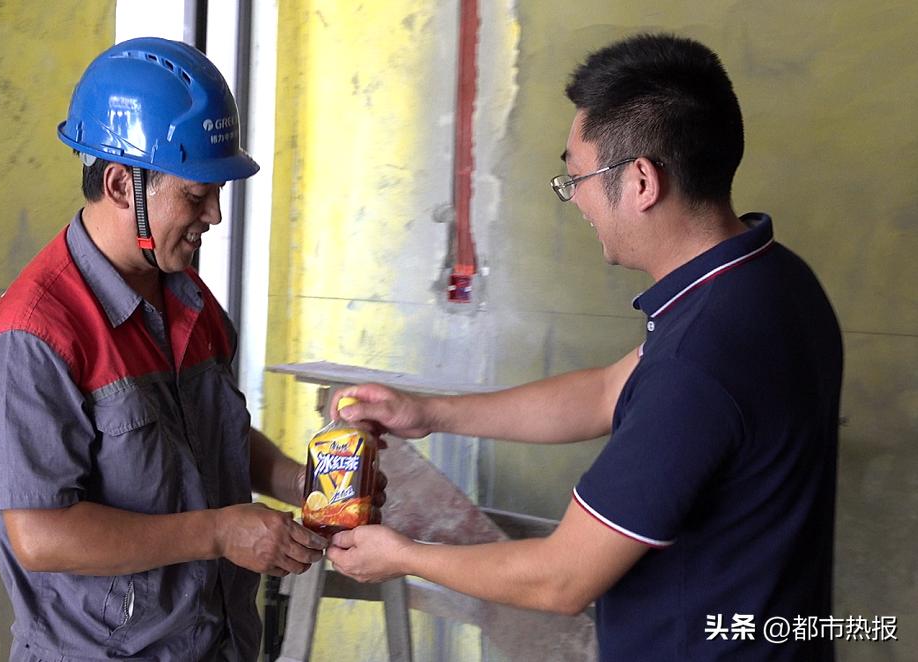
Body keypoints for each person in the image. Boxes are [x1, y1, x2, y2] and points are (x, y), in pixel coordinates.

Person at [327, 33, 842, 661]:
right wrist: (429, 415)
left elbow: (561, 578)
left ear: (643, 181)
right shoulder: (771, 279)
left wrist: (404, 556)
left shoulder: (699, 361)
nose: (576, 199)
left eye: (578, 178)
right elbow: (606, 391)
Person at [0, 38, 332, 662]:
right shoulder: (31, 337)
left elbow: (211, 437)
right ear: (119, 183)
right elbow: (40, 535)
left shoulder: (190, 300)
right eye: (196, 193)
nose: (214, 214)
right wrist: (219, 532)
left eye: (218, 192)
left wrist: (309, 484)